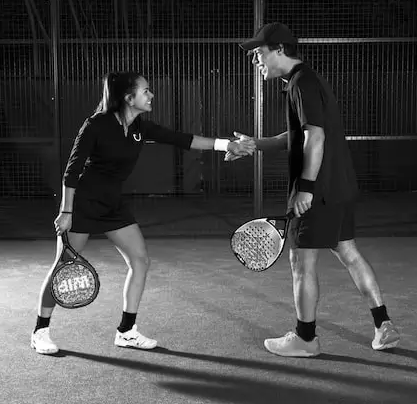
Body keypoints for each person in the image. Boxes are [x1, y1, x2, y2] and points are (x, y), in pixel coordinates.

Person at [31, 71, 255, 355]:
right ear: (128, 97)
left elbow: (182, 139)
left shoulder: (139, 127)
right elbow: (72, 171)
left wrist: (227, 144)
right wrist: (66, 212)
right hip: (84, 204)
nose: (151, 95)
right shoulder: (95, 125)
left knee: (140, 261)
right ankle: (40, 331)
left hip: (113, 205)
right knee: (63, 268)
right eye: (146, 91)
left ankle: (126, 332)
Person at [228, 22, 400, 357]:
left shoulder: (300, 84)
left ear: (279, 49)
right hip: (339, 186)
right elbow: (296, 135)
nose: (255, 60)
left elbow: (314, 138)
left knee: (300, 261)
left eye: (259, 52)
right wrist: (255, 143)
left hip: (317, 191)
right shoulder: (306, 80)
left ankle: (305, 339)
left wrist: (305, 188)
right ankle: (384, 325)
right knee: (348, 253)